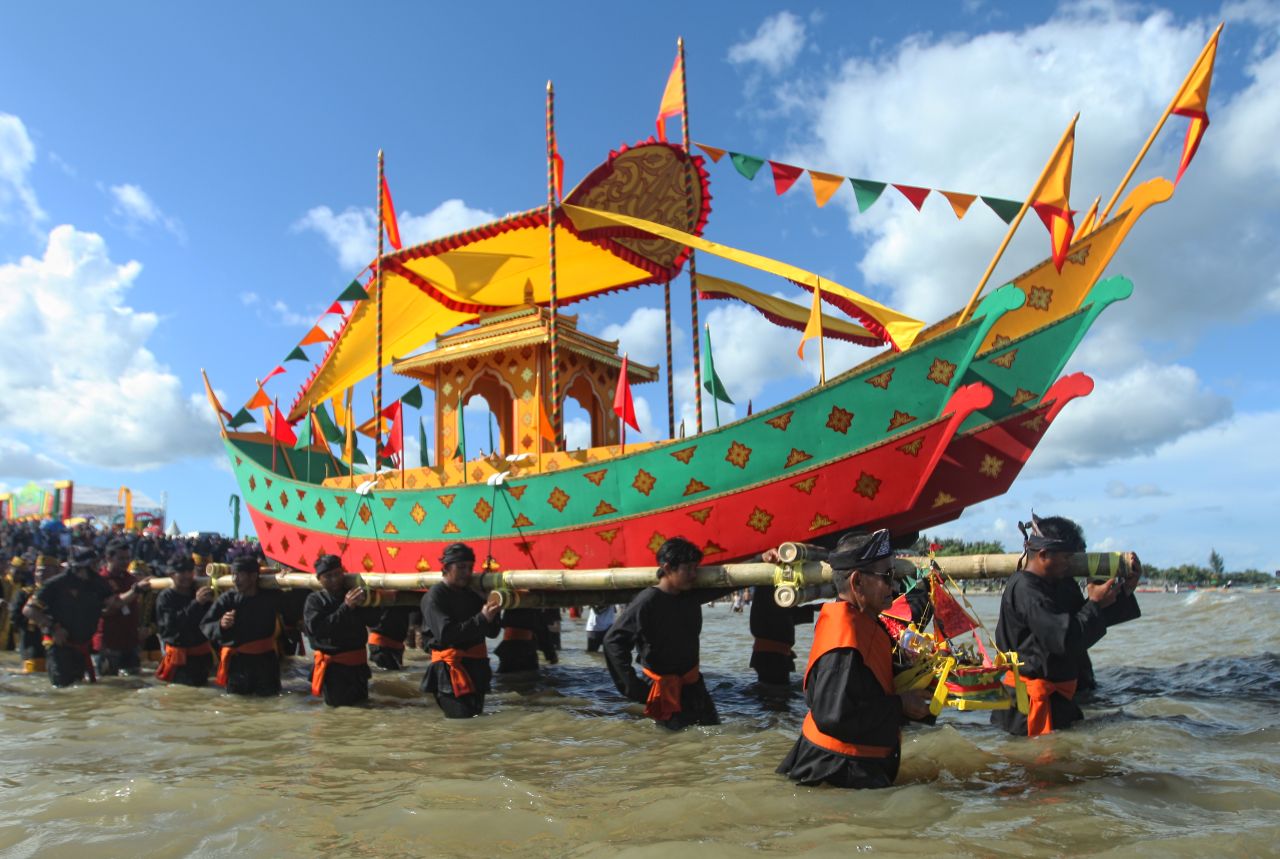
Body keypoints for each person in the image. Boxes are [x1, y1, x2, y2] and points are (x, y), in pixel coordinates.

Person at [778, 529, 932, 788]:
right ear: (857, 582)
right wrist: (900, 705)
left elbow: (865, 685)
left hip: (849, 765)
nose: (894, 586)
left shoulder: (861, 618)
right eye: (887, 576)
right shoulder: (844, 640)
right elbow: (833, 716)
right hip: (834, 771)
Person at [990, 514, 1142, 737]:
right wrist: (1095, 603)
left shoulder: (1060, 583)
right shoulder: (1027, 590)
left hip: (1058, 701)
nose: (1072, 564)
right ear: (1044, 555)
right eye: (1068, 557)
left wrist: (1125, 590)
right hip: (1026, 708)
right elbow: (1066, 640)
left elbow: (1083, 621)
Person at [603, 536, 723, 730]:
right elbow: (612, 641)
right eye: (688, 569)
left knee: (712, 732)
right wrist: (631, 686)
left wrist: (761, 559)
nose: (694, 575)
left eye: (696, 568)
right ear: (667, 568)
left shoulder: (691, 594)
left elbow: (731, 583)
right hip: (663, 688)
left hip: (694, 684)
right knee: (673, 741)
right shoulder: (647, 601)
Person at [24, 547, 140, 687]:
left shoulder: (97, 582)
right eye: (94, 563)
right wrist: (53, 628)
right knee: (63, 690)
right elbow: (29, 610)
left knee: (79, 688)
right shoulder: (56, 584)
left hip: (82, 646)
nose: (98, 566)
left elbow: (116, 603)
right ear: (82, 566)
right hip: (60, 646)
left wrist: (136, 590)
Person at [419, 543, 501, 718]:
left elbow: (493, 632)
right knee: (461, 726)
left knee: (476, 722)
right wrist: (482, 618)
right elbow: (446, 634)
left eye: (470, 567)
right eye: (461, 567)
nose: (467, 572)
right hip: (449, 672)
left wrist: (491, 605)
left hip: (477, 670)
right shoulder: (435, 596)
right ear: (447, 568)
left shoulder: (473, 594)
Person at [200, 555, 284, 696]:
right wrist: (221, 624)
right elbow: (206, 625)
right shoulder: (228, 599)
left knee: (269, 703)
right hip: (238, 663)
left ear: (253, 576)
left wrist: (283, 574)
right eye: (233, 575)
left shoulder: (270, 596)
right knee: (237, 703)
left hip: (266, 662)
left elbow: (295, 609)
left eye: (239, 575)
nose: (235, 580)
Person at [303, 554, 375, 707]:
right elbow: (318, 630)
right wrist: (346, 607)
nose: (334, 579)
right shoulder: (315, 600)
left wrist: (368, 603)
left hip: (358, 667)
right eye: (328, 576)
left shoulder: (354, 594)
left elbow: (374, 621)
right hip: (334, 671)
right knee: (339, 711)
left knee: (362, 709)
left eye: (337, 574)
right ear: (319, 579)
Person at [154, 554, 215, 687]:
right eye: (182, 572)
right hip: (180, 661)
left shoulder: (199, 592)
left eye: (189, 571)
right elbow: (171, 627)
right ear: (171, 574)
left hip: (202, 657)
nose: (187, 576)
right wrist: (197, 603)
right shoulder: (165, 597)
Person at [93, 540, 146, 676]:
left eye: (128, 558)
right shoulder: (100, 580)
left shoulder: (130, 579)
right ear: (109, 558)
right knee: (109, 688)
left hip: (131, 642)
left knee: (135, 685)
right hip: (108, 644)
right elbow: (114, 604)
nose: (126, 562)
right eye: (121, 558)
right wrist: (135, 590)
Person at [10, 554, 56, 673]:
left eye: (46, 571)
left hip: (58, 648)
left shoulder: (61, 594)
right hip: (33, 647)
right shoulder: (24, 594)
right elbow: (14, 617)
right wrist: (34, 622)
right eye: (39, 571)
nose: (41, 574)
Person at [495, 607, 557, 674]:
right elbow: (541, 630)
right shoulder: (532, 604)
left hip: (509, 648)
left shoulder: (511, 603)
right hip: (525, 650)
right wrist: (550, 654)